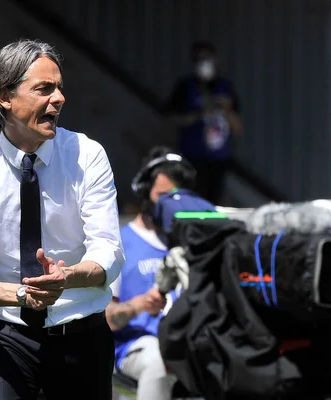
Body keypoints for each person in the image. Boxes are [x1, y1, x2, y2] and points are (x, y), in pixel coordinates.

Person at [0, 39, 124, 399]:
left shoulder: (88, 155)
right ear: (5, 97)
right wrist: (23, 295)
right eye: (44, 89)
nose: (59, 98)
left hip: (82, 337)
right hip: (5, 337)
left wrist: (67, 277)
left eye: (59, 88)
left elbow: (110, 252)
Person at [106, 146, 199, 400]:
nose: (172, 204)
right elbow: (106, 320)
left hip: (188, 342)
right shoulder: (119, 243)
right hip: (136, 346)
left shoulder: (193, 244)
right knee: (161, 359)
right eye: (164, 196)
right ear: (145, 193)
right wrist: (140, 305)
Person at [166, 41, 243, 204]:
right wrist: (199, 114)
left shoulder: (225, 87)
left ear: (216, 60)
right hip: (192, 156)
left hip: (218, 158)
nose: (204, 63)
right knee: (192, 200)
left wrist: (226, 109)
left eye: (208, 58)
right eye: (199, 60)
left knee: (214, 201)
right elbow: (170, 119)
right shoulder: (185, 86)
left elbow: (238, 127)